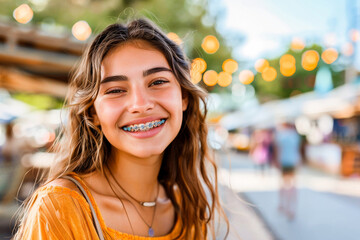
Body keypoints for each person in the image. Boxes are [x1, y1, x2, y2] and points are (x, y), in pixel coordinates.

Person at [13, 18, 229, 239]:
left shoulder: (186, 204)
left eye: (157, 82)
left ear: (183, 96)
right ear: (93, 113)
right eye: (116, 90)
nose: (140, 104)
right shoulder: (60, 208)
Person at [274, 121, 301, 220]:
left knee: (283, 184)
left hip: (284, 162)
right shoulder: (295, 135)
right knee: (292, 185)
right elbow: (297, 150)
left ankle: (282, 204)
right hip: (293, 161)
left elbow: (278, 150)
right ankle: (291, 208)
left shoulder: (280, 135)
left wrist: (277, 162)